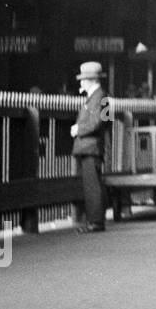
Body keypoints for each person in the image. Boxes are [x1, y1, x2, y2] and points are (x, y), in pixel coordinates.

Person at [71, 61, 111, 233]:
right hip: (92, 146)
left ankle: (95, 221)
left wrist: (78, 129)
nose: (81, 83)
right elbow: (106, 122)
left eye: (83, 80)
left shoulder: (99, 98)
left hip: (90, 146)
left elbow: (97, 123)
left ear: (90, 80)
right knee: (92, 184)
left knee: (92, 186)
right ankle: (94, 220)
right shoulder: (103, 98)